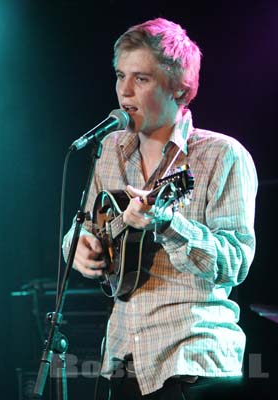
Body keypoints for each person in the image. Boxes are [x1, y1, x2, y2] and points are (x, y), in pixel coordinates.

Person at [63, 18, 257, 399]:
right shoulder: (109, 152)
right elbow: (85, 225)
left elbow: (235, 263)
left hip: (191, 356)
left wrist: (167, 223)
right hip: (122, 354)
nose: (124, 92)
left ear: (179, 89)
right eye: (120, 76)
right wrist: (78, 243)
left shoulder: (222, 155)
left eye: (142, 79)